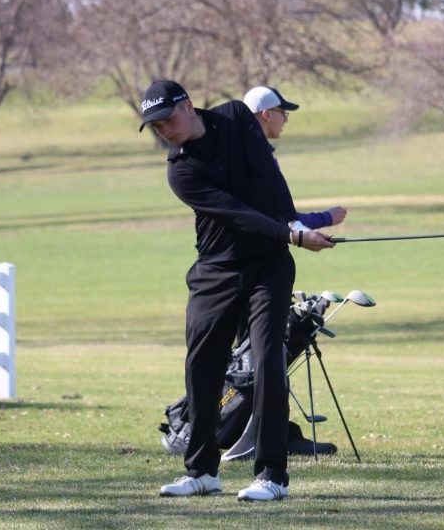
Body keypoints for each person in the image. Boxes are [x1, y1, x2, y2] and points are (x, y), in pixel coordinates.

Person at [139, 80, 335, 501]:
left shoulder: (234, 117)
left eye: (167, 120)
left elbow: (268, 176)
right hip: (216, 270)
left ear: (188, 106)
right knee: (202, 366)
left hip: (268, 265)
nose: (164, 131)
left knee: (267, 359)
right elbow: (235, 212)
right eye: (155, 127)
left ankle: (272, 476)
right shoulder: (180, 169)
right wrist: (292, 234)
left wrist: (293, 227)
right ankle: (202, 471)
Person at [243, 86, 347, 230]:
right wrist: (325, 218)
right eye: (283, 113)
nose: (285, 120)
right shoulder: (257, 157)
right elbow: (275, 215)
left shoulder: (242, 148)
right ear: (267, 114)